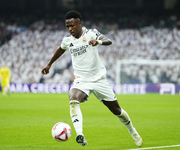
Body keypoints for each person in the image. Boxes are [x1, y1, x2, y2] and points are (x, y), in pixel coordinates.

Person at [41, 10, 143, 147]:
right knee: (73, 97)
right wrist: (49, 64)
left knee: (117, 111)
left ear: (79, 23)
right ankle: (80, 134)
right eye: (67, 27)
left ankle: (133, 132)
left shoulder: (91, 33)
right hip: (81, 81)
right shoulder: (68, 40)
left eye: (72, 26)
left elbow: (108, 40)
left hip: (99, 80)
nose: (70, 29)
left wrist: (98, 42)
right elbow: (61, 48)